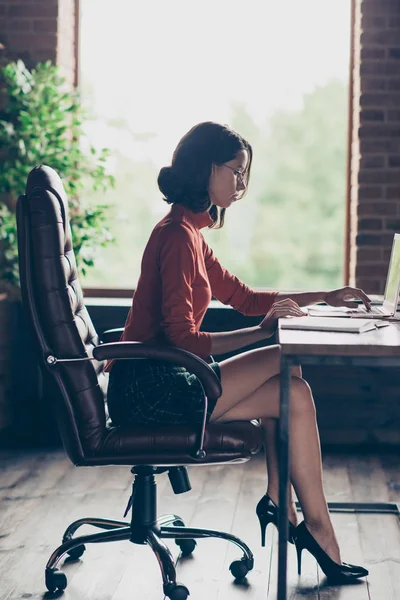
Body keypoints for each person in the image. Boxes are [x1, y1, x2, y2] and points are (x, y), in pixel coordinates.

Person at [106, 121, 369, 583]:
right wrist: (261, 333)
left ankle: (303, 518)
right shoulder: (175, 237)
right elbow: (183, 339)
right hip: (149, 388)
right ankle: (287, 508)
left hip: (171, 376)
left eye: (246, 174)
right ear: (205, 167)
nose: (242, 183)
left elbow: (247, 299)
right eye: (236, 171)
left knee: (295, 394)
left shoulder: (192, 234)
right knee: (285, 361)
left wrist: (325, 295)